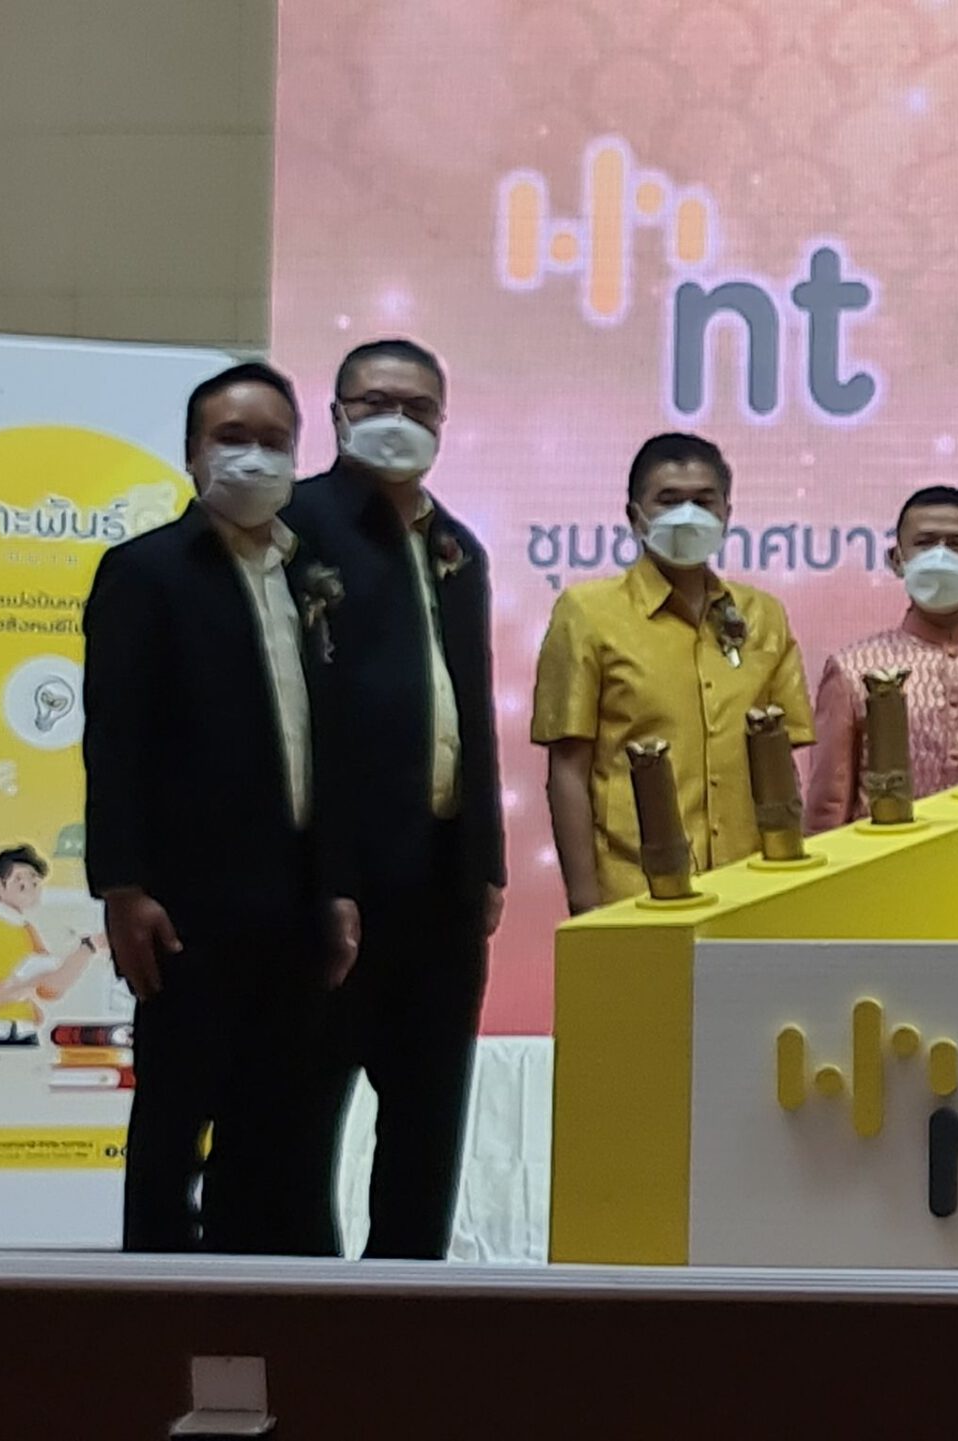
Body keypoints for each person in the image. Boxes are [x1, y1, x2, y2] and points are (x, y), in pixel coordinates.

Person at [82, 361, 356, 1255]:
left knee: (276, 1129)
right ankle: (156, 1305)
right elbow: (115, 738)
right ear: (192, 452)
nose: (253, 457)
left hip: (295, 899)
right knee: (174, 1123)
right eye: (232, 439)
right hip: (187, 905)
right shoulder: (146, 572)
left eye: (274, 441)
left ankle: (260, 1300)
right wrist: (123, 887)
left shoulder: (312, 577)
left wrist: (337, 886)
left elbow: (326, 742)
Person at [283, 339, 506, 1261]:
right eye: (376, 402)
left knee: (426, 1127)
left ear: (442, 424)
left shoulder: (459, 547)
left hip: (443, 882)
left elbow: (473, 714)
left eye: (418, 408)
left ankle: (409, 1306)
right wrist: (326, 877)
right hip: (330, 880)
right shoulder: (291, 528)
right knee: (297, 1124)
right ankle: (302, 1312)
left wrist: (488, 863)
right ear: (336, 414)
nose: (396, 421)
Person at [534, 433, 813, 910]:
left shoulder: (763, 615)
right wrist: (584, 903)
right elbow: (568, 769)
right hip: (633, 889)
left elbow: (781, 762)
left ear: (726, 513)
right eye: (668, 500)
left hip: (750, 885)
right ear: (634, 516)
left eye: (703, 501)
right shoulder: (587, 612)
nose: (687, 515)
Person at [803, 485, 958, 831]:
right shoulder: (852, 670)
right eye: (924, 543)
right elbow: (827, 805)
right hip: (886, 858)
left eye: (957, 545)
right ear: (896, 560)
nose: (940, 557)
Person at [0, 845, 100, 1048]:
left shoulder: (27, 930)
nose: (30, 887)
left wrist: (88, 948)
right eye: (20, 882)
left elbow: (49, 989)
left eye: (35, 882)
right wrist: (16, 986)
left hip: (25, 1034)